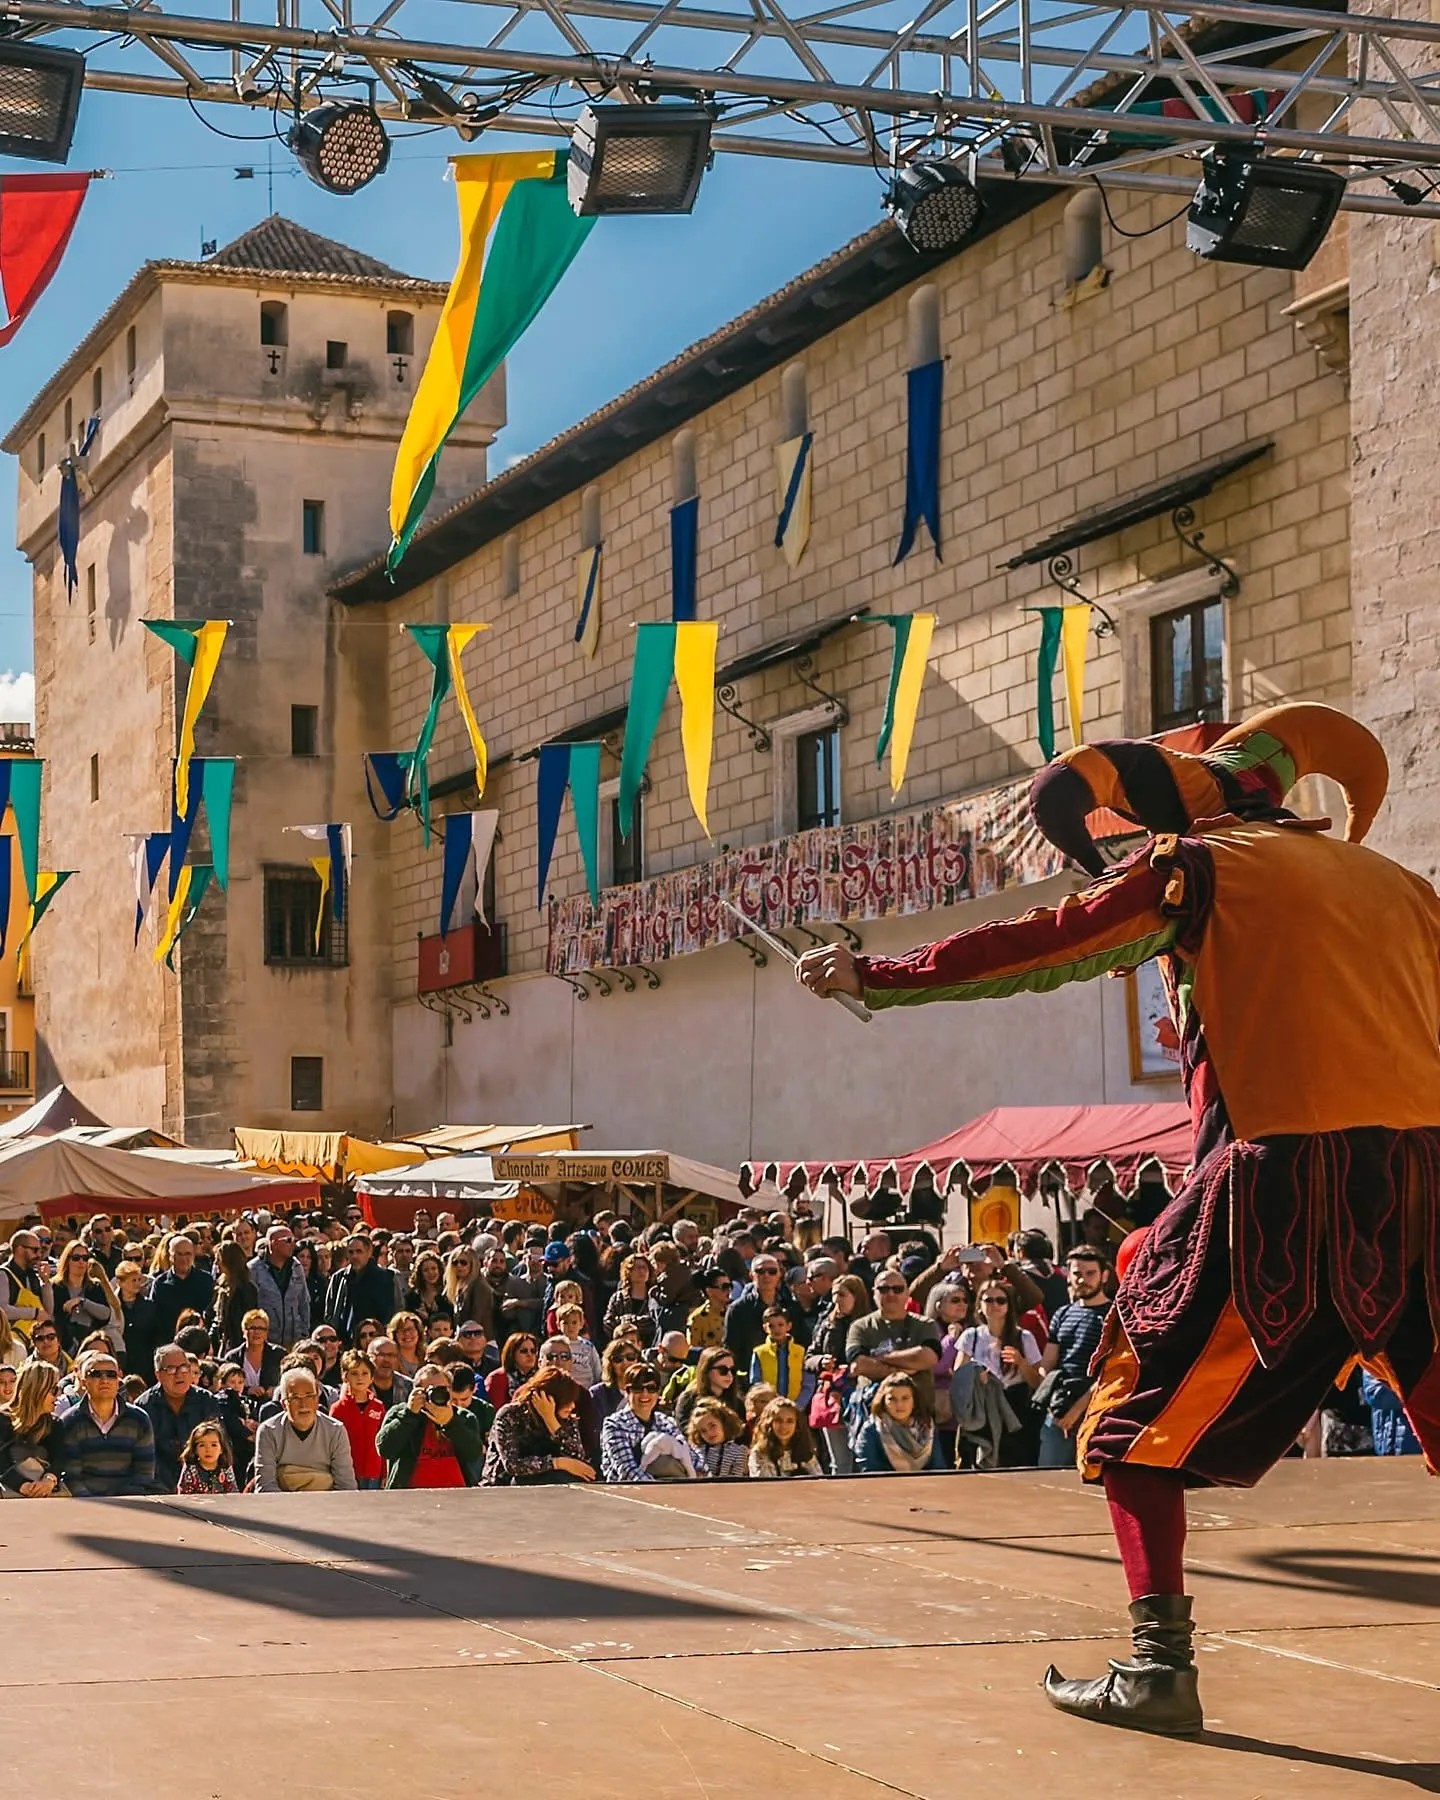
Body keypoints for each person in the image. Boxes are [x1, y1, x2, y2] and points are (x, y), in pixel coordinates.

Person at [797, 700, 1440, 1736]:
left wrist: (874, 971)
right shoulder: (1407, 889)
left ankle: (1158, 1667)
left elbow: (1048, 944)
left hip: (1283, 1171)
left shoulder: (1204, 866)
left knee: (1127, 1412)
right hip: (1430, 1178)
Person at [844, 1269, 942, 1443]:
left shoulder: (925, 1324)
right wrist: (907, 1369)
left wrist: (881, 1358)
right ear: (873, 1293)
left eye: (897, 1289)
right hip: (874, 1418)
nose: (891, 1294)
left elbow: (928, 1357)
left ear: (906, 1294)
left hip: (920, 1416)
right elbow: (859, 1365)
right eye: (883, 1289)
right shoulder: (860, 1327)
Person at [1037, 1249, 1113, 1469]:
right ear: (1068, 1275)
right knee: (1048, 1474)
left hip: (1097, 1409)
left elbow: (1113, 1371)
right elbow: (1048, 1363)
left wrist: (1079, 1408)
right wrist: (1049, 1396)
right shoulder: (1062, 1314)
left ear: (1104, 1276)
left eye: (1091, 1273)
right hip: (1060, 1407)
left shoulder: (1113, 1316)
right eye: (1078, 1273)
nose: (1083, 1280)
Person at [954, 1283, 1044, 1466]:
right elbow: (958, 1377)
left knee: (1014, 1462)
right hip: (981, 1409)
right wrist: (975, 1377)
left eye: (1001, 1300)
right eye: (988, 1300)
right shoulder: (971, 1337)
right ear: (979, 1305)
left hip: (1014, 1408)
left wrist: (1021, 1363)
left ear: (1009, 1305)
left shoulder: (1024, 1338)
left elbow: (1038, 1384)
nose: (994, 1305)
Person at [138, 1341, 244, 1494]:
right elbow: (144, 1459)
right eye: (171, 1369)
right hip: (157, 1488)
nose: (179, 1374)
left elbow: (220, 1447)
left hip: (202, 1488)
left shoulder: (206, 1401)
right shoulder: (145, 1406)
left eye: (184, 1367)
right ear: (158, 1375)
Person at [56, 1348, 157, 1496]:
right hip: (84, 1506)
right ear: (84, 1382)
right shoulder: (70, 1421)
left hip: (130, 1504)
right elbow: (72, 1477)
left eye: (111, 1375)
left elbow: (144, 1473)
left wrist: (122, 1503)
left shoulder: (139, 1419)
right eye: (96, 1374)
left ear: (118, 1381)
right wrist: (96, 1506)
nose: (105, 1380)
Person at [375, 1360, 485, 1489]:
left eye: (443, 1389)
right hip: (410, 1498)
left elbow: (473, 1453)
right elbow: (385, 1449)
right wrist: (409, 1415)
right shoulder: (400, 1413)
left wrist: (450, 1423)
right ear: (417, 1391)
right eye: (431, 1390)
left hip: (456, 1497)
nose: (438, 1394)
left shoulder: (465, 1417)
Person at [481, 1367, 594, 1485]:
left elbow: (578, 1460)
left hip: (552, 1482)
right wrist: (558, 1463)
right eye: (566, 1401)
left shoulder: (566, 1418)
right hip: (504, 1485)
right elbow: (513, 1465)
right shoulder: (510, 1415)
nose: (571, 1406)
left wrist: (552, 1422)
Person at [254, 1367, 357, 1492]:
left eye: (309, 1396)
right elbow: (266, 1485)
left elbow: (345, 1486)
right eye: (296, 1398)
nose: (303, 1404)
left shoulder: (335, 1431)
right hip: (283, 1505)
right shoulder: (269, 1431)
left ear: (317, 1400)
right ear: (284, 1404)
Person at [805, 1271, 867, 1475]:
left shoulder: (867, 1324)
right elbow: (810, 1356)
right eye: (834, 1295)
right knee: (839, 1459)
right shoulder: (827, 1323)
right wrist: (820, 1361)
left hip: (860, 1394)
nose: (836, 1300)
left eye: (842, 1295)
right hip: (832, 1393)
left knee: (861, 1453)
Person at [600, 1364, 682, 1482]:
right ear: (626, 1392)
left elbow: (690, 1455)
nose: (645, 1394)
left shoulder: (666, 1422)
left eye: (651, 1388)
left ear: (658, 1392)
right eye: (637, 1388)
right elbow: (627, 1470)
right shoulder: (614, 1425)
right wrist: (660, 1489)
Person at [724, 1253, 805, 1364]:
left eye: (772, 1272)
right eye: (760, 1271)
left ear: (779, 1275)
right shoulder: (738, 1309)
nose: (766, 1275)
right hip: (751, 1374)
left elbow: (802, 1341)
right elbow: (731, 1348)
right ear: (751, 1275)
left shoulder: (792, 1307)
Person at [0, 1361, 65, 1496]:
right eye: (53, 1389)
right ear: (37, 1389)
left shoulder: (55, 1424)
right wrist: (22, 1485)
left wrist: (49, 1480)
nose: (58, 1394)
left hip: (43, 1492)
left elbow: (59, 1459)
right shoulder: (3, 1420)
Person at [854, 1373, 939, 1474]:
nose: (899, 1405)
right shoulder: (872, 1429)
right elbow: (869, 1469)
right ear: (883, 1401)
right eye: (892, 1399)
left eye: (905, 1398)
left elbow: (938, 1467)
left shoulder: (927, 1427)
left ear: (914, 1400)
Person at [325, 1234, 396, 1346]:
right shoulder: (339, 1278)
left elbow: (390, 1311)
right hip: (344, 1340)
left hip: (373, 1340)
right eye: (351, 1252)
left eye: (359, 1251)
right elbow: (331, 1310)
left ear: (369, 1252)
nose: (354, 1256)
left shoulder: (385, 1278)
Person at [330, 1349, 387, 1488]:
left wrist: (385, 1473)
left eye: (365, 1373)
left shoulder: (378, 1407)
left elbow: (384, 1441)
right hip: (348, 1473)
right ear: (345, 1377)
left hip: (374, 1472)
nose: (359, 1378)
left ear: (372, 1377)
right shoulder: (338, 1409)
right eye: (354, 1373)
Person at [248, 1224, 310, 1348]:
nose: (293, 1244)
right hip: (265, 1343)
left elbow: (304, 1301)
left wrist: (304, 1331)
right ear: (273, 1243)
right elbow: (250, 1307)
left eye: (294, 1240)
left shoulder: (296, 1267)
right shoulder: (253, 1269)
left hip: (294, 1340)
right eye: (288, 1241)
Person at [149, 1234, 215, 1344]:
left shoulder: (206, 1280)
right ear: (170, 1256)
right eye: (179, 1254)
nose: (184, 1259)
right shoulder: (161, 1283)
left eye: (188, 1254)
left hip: (201, 1343)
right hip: (170, 1343)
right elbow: (155, 1318)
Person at [749, 1306, 814, 1408]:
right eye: (771, 1326)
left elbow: (808, 1383)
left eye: (780, 1325)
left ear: (788, 1326)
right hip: (768, 1407)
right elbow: (756, 1383)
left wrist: (798, 1405)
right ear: (765, 1328)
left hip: (796, 1406)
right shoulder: (759, 1352)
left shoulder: (800, 1352)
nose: (776, 1329)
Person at [0, 1229, 54, 1352]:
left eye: (40, 1250)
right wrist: (34, 1313)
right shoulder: (3, 1274)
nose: (39, 1255)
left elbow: (48, 1311)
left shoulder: (33, 1275)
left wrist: (46, 1282)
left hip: (34, 1340)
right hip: (10, 1341)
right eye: (34, 1250)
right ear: (19, 1250)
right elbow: (2, 1310)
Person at [673, 1345, 744, 1435]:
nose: (729, 1375)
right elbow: (685, 1432)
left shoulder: (738, 1403)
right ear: (706, 1370)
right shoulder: (688, 1399)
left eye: (732, 1370)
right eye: (723, 1370)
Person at [748, 1396, 822, 1478]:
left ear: (797, 1425)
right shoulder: (760, 1453)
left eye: (790, 1421)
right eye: (778, 1420)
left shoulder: (806, 1451)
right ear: (769, 1424)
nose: (784, 1426)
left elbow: (818, 1479)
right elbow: (764, 1486)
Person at [223, 1308, 283, 1408]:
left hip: (271, 1406)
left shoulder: (279, 1354)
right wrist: (247, 1390)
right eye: (252, 1328)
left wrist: (275, 1390)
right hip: (239, 1406)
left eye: (261, 1328)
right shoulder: (232, 1357)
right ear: (244, 1331)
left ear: (266, 1333)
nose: (257, 1332)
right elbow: (224, 1386)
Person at [209, 1241, 260, 1354]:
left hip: (238, 1344)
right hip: (224, 1343)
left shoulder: (245, 1289)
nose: (216, 1263)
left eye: (219, 1259)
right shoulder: (222, 1286)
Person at [114, 1260, 159, 1380]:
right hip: (121, 1362)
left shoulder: (149, 1306)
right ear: (120, 1282)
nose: (137, 1284)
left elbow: (155, 1334)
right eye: (133, 1280)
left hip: (144, 1363)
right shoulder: (111, 1306)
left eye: (139, 1280)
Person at [685, 1397, 748, 1478]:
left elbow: (737, 1479)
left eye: (712, 1426)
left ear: (724, 1422)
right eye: (703, 1431)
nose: (709, 1432)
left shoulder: (738, 1452)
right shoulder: (696, 1452)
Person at [604, 1252, 656, 1347]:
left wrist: (631, 1320)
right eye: (637, 1268)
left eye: (644, 1267)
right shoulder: (618, 1298)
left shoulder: (655, 1297)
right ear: (628, 1271)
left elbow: (654, 1322)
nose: (641, 1271)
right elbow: (608, 1322)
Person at [443, 1246, 493, 1339]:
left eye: (463, 1263)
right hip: (468, 1339)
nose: (459, 1266)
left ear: (472, 1265)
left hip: (481, 1342)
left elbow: (475, 1320)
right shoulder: (460, 1287)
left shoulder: (479, 1287)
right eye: (455, 1262)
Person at [177, 1420, 239, 1495]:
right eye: (202, 1445)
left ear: (222, 1449)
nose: (208, 1449)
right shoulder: (191, 1469)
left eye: (214, 1445)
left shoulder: (225, 1468)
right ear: (195, 1449)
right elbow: (184, 1496)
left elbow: (233, 1494)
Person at [404, 1251, 453, 1334]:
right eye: (426, 1270)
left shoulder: (447, 1294)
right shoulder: (413, 1297)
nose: (430, 1273)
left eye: (433, 1268)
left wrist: (429, 1317)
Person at [554, 1302, 602, 1387]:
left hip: (586, 1388)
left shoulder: (588, 1346)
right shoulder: (555, 1345)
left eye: (574, 1322)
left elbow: (596, 1369)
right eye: (565, 1323)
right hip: (565, 1388)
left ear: (581, 1324)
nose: (570, 1326)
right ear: (558, 1325)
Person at [686, 1267, 734, 1351]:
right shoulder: (697, 1318)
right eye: (724, 1287)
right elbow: (694, 1350)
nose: (729, 1290)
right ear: (709, 1291)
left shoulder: (736, 1311)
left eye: (730, 1286)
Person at [487, 1331, 539, 1408]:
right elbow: (497, 1409)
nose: (530, 1354)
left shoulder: (540, 1376)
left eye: (533, 1351)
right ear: (511, 1353)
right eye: (524, 1351)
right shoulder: (498, 1377)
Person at [367, 1336, 413, 1413]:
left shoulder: (408, 1386)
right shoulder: (359, 1387)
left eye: (391, 1355)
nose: (386, 1360)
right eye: (381, 1355)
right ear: (369, 1357)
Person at [81, 1215, 124, 1281]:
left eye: (107, 1229)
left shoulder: (121, 1254)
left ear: (112, 1231)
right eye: (99, 1231)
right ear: (92, 1235)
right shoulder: (86, 1256)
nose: (104, 1234)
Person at [387, 1310, 427, 1379]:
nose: (407, 1334)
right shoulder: (390, 1359)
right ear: (394, 1334)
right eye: (402, 1330)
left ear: (418, 1332)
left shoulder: (426, 1357)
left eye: (410, 1329)